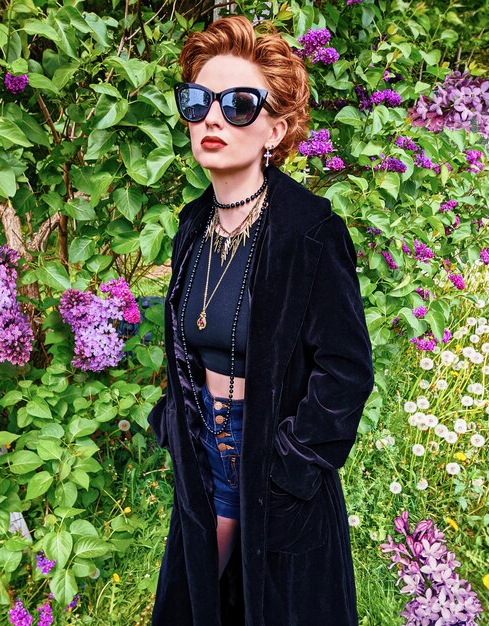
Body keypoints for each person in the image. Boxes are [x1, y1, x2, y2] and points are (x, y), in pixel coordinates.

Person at [148, 14, 374, 626]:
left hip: (275, 468)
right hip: (205, 459)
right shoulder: (193, 227)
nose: (213, 118)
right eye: (198, 101)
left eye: (239, 103)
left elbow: (346, 371)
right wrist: (174, 422)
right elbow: (188, 346)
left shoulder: (310, 232)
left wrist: (287, 465)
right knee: (193, 605)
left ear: (276, 127)